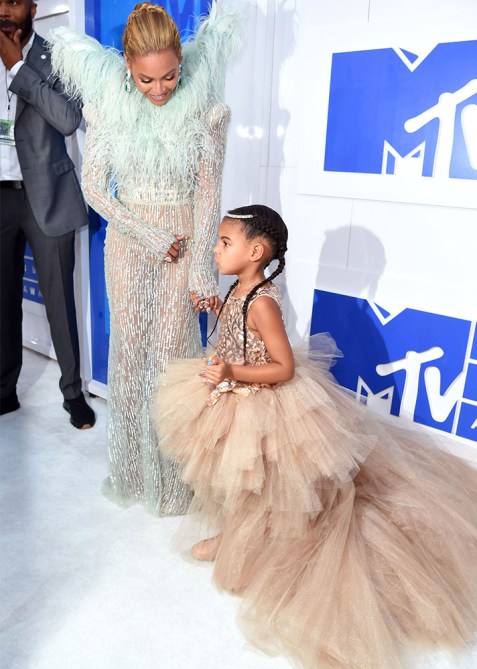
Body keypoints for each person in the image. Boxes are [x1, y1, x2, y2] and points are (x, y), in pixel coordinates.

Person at [153, 204, 477, 669]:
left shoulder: (262, 302)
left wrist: (231, 372)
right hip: (233, 392)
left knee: (268, 484)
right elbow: (240, 334)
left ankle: (258, 547)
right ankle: (235, 534)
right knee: (239, 482)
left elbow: (283, 367)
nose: (216, 250)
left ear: (256, 251)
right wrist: (219, 311)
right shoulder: (238, 288)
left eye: (225, 242)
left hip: (262, 401)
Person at [49, 2, 243, 515]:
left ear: (182, 63)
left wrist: (202, 269)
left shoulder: (205, 110)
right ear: (127, 66)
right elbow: (94, 188)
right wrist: (149, 235)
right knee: (129, 355)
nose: (160, 89)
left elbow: (208, 197)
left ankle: (175, 483)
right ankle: (132, 474)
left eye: (170, 76)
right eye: (146, 79)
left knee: (174, 355)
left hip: (186, 243)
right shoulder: (109, 108)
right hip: (129, 244)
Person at [0, 0, 95, 429]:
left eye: (14, 1)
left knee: (60, 302)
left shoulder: (56, 57)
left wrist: (18, 67)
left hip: (49, 195)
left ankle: (73, 393)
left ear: (33, 8)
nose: (5, 10)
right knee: (3, 302)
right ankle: (5, 389)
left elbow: (68, 119)